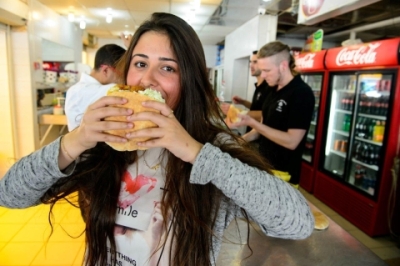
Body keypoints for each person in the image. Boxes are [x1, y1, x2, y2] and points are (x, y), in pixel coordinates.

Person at [0, 13, 314, 266]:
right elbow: (9, 194)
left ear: (188, 80)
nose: (147, 79)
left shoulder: (213, 147)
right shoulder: (103, 141)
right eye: (140, 64)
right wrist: (75, 140)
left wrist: (193, 150)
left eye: (167, 68)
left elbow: (298, 222)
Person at [235, 41, 315, 186]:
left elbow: (292, 141)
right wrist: (240, 141)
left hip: (284, 175)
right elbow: (262, 129)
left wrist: (252, 122)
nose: (263, 75)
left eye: (267, 70)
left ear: (283, 66)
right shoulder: (272, 90)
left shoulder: (301, 93)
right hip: (265, 167)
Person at [65, 44, 126, 131]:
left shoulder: (74, 89)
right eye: (122, 75)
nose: (122, 80)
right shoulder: (89, 91)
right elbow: (129, 89)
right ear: (105, 70)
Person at [221, 50, 271, 126]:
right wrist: (243, 102)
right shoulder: (258, 86)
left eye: (255, 62)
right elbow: (256, 108)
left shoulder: (269, 86)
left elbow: (267, 114)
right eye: (250, 62)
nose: (251, 65)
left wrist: (237, 112)